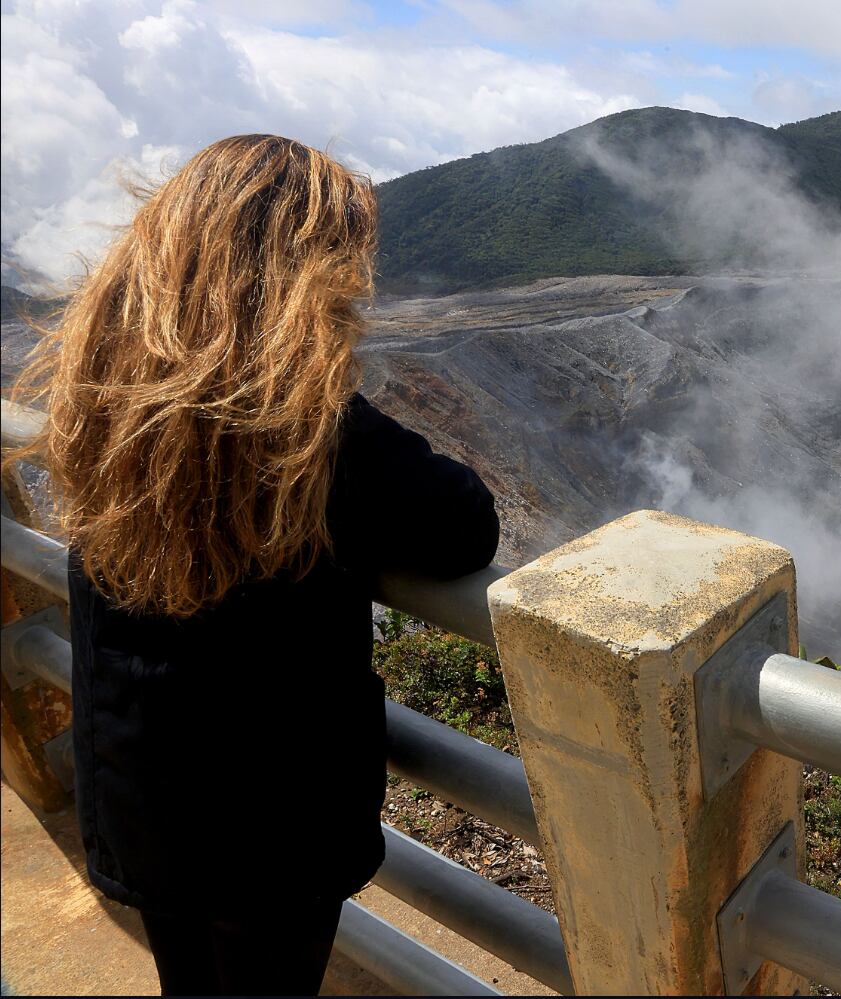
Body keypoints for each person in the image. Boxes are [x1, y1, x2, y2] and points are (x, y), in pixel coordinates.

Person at [7, 135, 500, 995]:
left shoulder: (102, 393)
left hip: (136, 787)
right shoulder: (315, 434)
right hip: (272, 828)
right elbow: (463, 525)